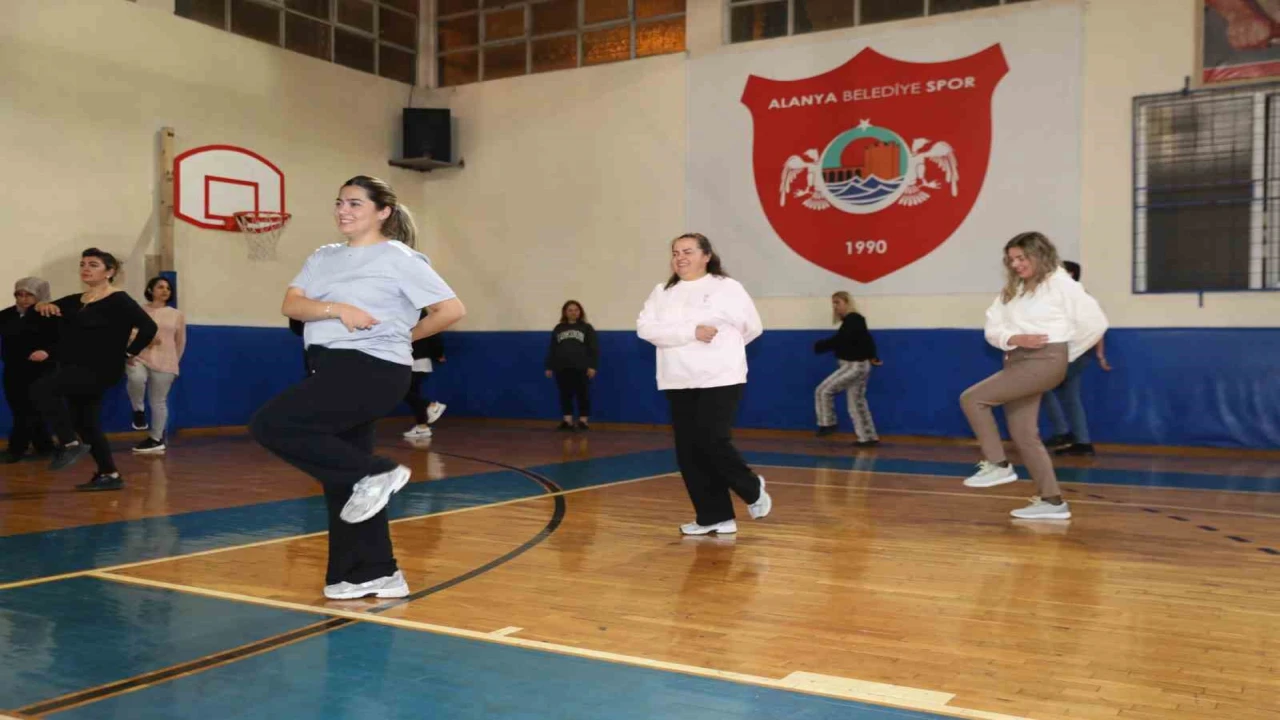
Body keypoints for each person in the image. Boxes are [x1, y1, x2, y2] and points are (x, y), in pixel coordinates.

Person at [249, 175, 464, 600]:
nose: (343, 210)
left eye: (355, 203)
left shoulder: (399, 257)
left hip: (373, 367)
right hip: (327, 366)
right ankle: (370, 572)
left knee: (271, 424)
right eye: (339, 203)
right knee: (343, 482)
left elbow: (451, 309)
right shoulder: (322, 257)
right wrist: (337, 308)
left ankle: (379, 472)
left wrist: (404, 335)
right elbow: (292, 305)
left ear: (382, 212)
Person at [959, 232, 1108, 520]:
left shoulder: (1061, 284)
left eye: (1021, 258)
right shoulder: (1012, 291)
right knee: (1025, 434)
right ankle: (1052, 501)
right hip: (1018, 361)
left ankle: (998, 465)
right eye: (1011, 259)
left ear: (1038, 255)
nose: (1015, 264)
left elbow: (1096, 323)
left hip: (1045, 360)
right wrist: (1015, 338)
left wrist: (1063, 354)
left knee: (972, 399)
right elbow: (992, 329)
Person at [637, 232, 771, 536]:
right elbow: (646, 328)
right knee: (689, 450)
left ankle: (751, 487)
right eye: (675, 252)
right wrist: (690, 333)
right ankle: (714, 516)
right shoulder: (662, 292)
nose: (680, 257)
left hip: (720, 377)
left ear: (706, 255)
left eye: (687, 251)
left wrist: (722, 351)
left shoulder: (727, 288)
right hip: (677, 379)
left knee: (712, 440)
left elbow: (752, 328)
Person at [32, 248, 157, 491]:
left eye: (93, 264)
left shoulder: (119, 299)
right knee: (86, 423)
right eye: (82, 264)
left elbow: (148, 327)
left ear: (109, 272)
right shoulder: (77, 300)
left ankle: (68, 443)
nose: (85, 268)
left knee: (43, 388)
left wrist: (129, 353)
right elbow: (45, 308)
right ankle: (109, 474)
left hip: (100, 369)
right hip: (76, 366)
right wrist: (44, 305)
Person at [1041, 261, 1112, 456]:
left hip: (1072, 353)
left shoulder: (1074, 297)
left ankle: (1064, 433)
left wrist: (1099, 354)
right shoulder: (1072, 296)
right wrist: (1099, 355)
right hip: (1075, 353)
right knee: (1070, 397)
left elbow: (1097, 326)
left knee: (1041, 387)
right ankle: (1082, 442)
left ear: (1070, 274)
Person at [813, 291, 882, 447]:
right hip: (860, 365)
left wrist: (820, 345)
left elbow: (840, 340)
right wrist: (873, 357)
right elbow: (866, 340)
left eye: (838, 303)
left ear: (847, 302)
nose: (835, 307)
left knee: (823, 390)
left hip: (854, 365)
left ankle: (827, 423)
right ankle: (868, 437)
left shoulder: (853, 319)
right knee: (856, 403)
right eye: (833, 303)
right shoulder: (855, 320)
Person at [1, 277, 57, 462]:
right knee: (21, 408)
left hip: (40, 370)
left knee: (31, 408)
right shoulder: (6, 315)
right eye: (19, 294)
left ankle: (17, 449)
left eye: (29, 295)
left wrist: (46, 351)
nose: (23, 299)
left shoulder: (49, 314)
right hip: (14, 368)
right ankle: (44, 446)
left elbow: (60, 340)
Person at [127, 276, 186, 454]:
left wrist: (175, 361)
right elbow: (128, 332)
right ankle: (138, 410)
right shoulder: (139, 310)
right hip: (139, 356)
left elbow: (180, 341)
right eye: (160, 287)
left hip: (166, 361)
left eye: (168, 288)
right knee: (136, 378)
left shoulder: (177, 315)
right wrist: (139, 343)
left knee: (158, 402)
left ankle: (156, 439)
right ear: (151, 290)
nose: (165, 290)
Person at [545, 300, 598, 431]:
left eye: (576, 310)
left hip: (581, 367)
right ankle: (567, 421)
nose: (573, 312)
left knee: (582, 394)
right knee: (565, 394)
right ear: (565, 312)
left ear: (580, 312)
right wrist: (549, 366)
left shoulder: (586, 328)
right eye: (570, 310)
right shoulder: (559, 328)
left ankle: (583, 421)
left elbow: (593, 348)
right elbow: (553, 348)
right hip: (562, 367)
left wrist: (592, 366)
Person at [402, 308, 447, 439]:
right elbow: (434, 335)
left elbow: (434, 335)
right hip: (416, 360)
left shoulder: (412, 314)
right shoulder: (421, 314)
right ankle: (422, 427)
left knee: (403, 392)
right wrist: (438, 354)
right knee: (414, 394)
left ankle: (432, 406)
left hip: (414, 360)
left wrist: (438, 353)